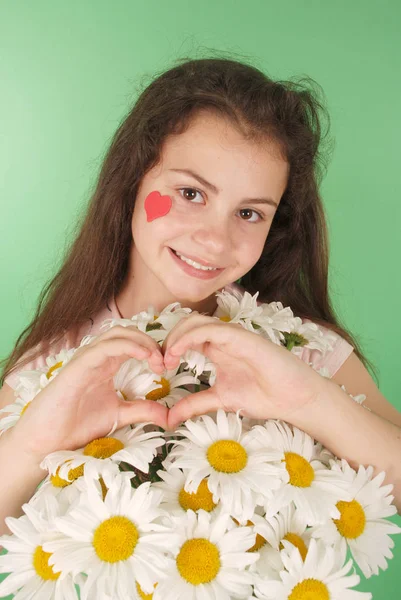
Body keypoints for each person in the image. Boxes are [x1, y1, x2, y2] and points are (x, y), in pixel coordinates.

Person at [1, 57, 400, 537]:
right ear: (133, 182)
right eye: (191, 193)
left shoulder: (302, 348)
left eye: (250, 213)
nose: (215, 240)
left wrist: (309, 401)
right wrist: (29, 447)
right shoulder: (48, 370)